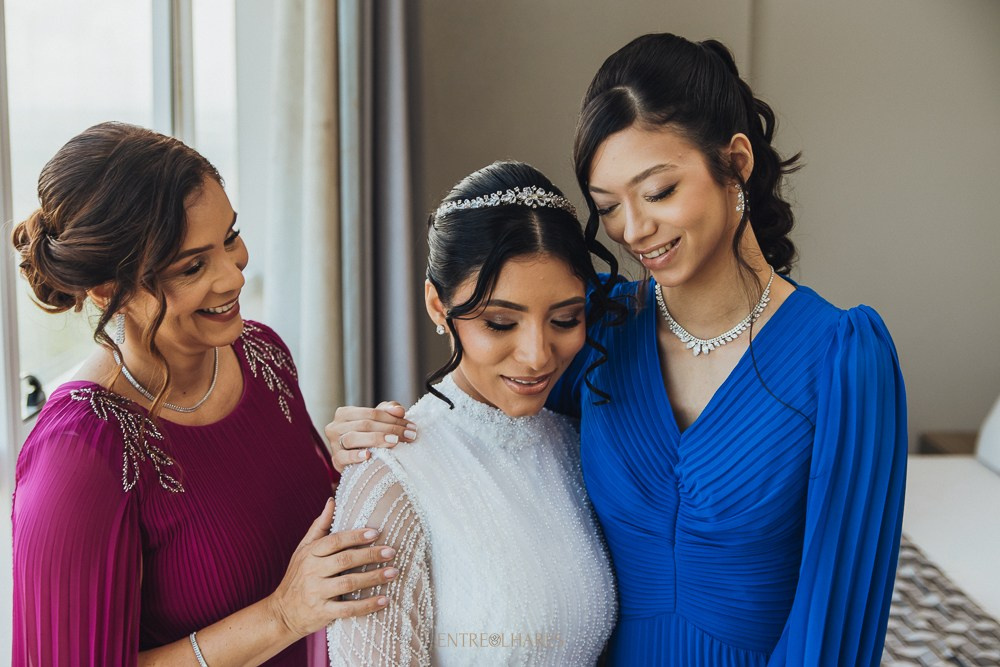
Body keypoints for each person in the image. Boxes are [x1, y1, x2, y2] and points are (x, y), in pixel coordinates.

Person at [327, 33, 907, 666]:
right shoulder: (594, 328)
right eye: (608, 207)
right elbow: (492, 426)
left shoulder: (844, 358)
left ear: (736, 162)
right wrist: (368, 443)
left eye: (657, 192)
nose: (634, 230)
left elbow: (838, 621)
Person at [10, 122, 397, 666]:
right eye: (193, 266)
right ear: (105, 289)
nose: (234, 276)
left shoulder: (261, 354)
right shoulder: (79, 452)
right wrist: (280, 616)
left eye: (230, 238)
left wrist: (357, 465)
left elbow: (306, 548)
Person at [325, 161, 618, 665]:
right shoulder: (391, 482)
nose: (538, 355)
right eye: (501, 322)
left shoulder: (573, 444)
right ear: (438, 307)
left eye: (565, 318)